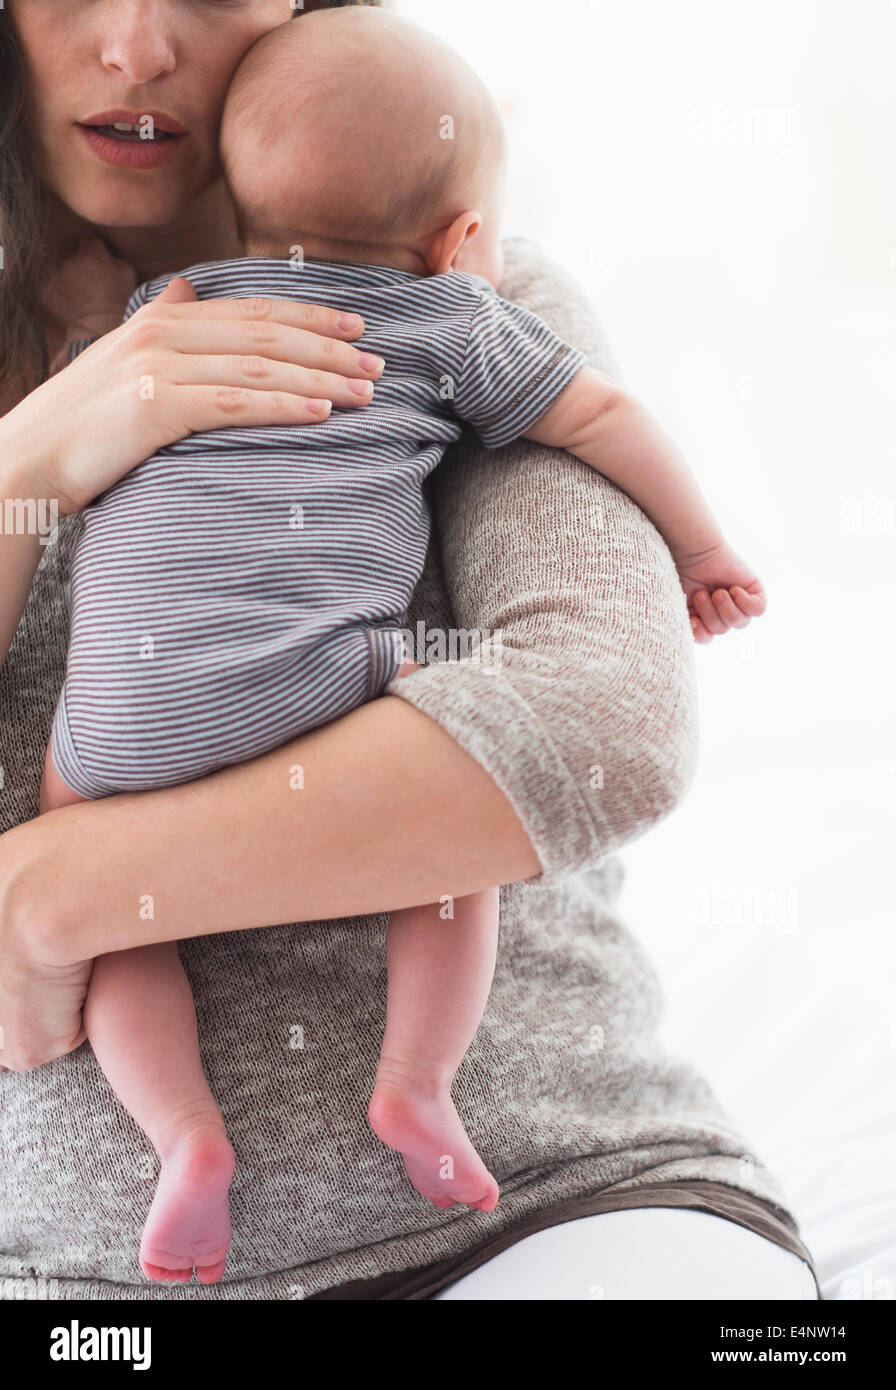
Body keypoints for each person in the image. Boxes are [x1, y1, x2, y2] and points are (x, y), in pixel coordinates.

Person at [0, 0, 818, 1299]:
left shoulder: (477, 300)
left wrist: (50, 893)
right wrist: (27, 464)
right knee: (433, 759)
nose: (142, 46)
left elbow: (599, 731)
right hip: (95, 1294)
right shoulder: (427, 323)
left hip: (561, 1194)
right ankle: (404, 1087)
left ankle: (198, 1132)